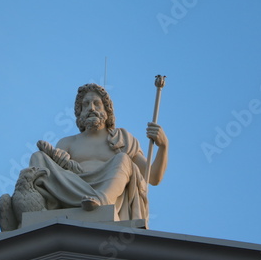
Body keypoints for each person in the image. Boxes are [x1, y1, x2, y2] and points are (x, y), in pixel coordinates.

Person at [29, 83, 168, 227]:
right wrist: (60, 161)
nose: (91, 108)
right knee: (38, 157)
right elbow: (57, 174)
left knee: (123, 159)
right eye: (86, 104)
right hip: (72, 189)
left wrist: (163, 146)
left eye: (97, 103)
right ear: (80, 111)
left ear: (107, 110)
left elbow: (153, 177)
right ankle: (32, 207)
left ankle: (102, 200)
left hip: (107, 193)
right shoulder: (68, 142)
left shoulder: (123, 139)